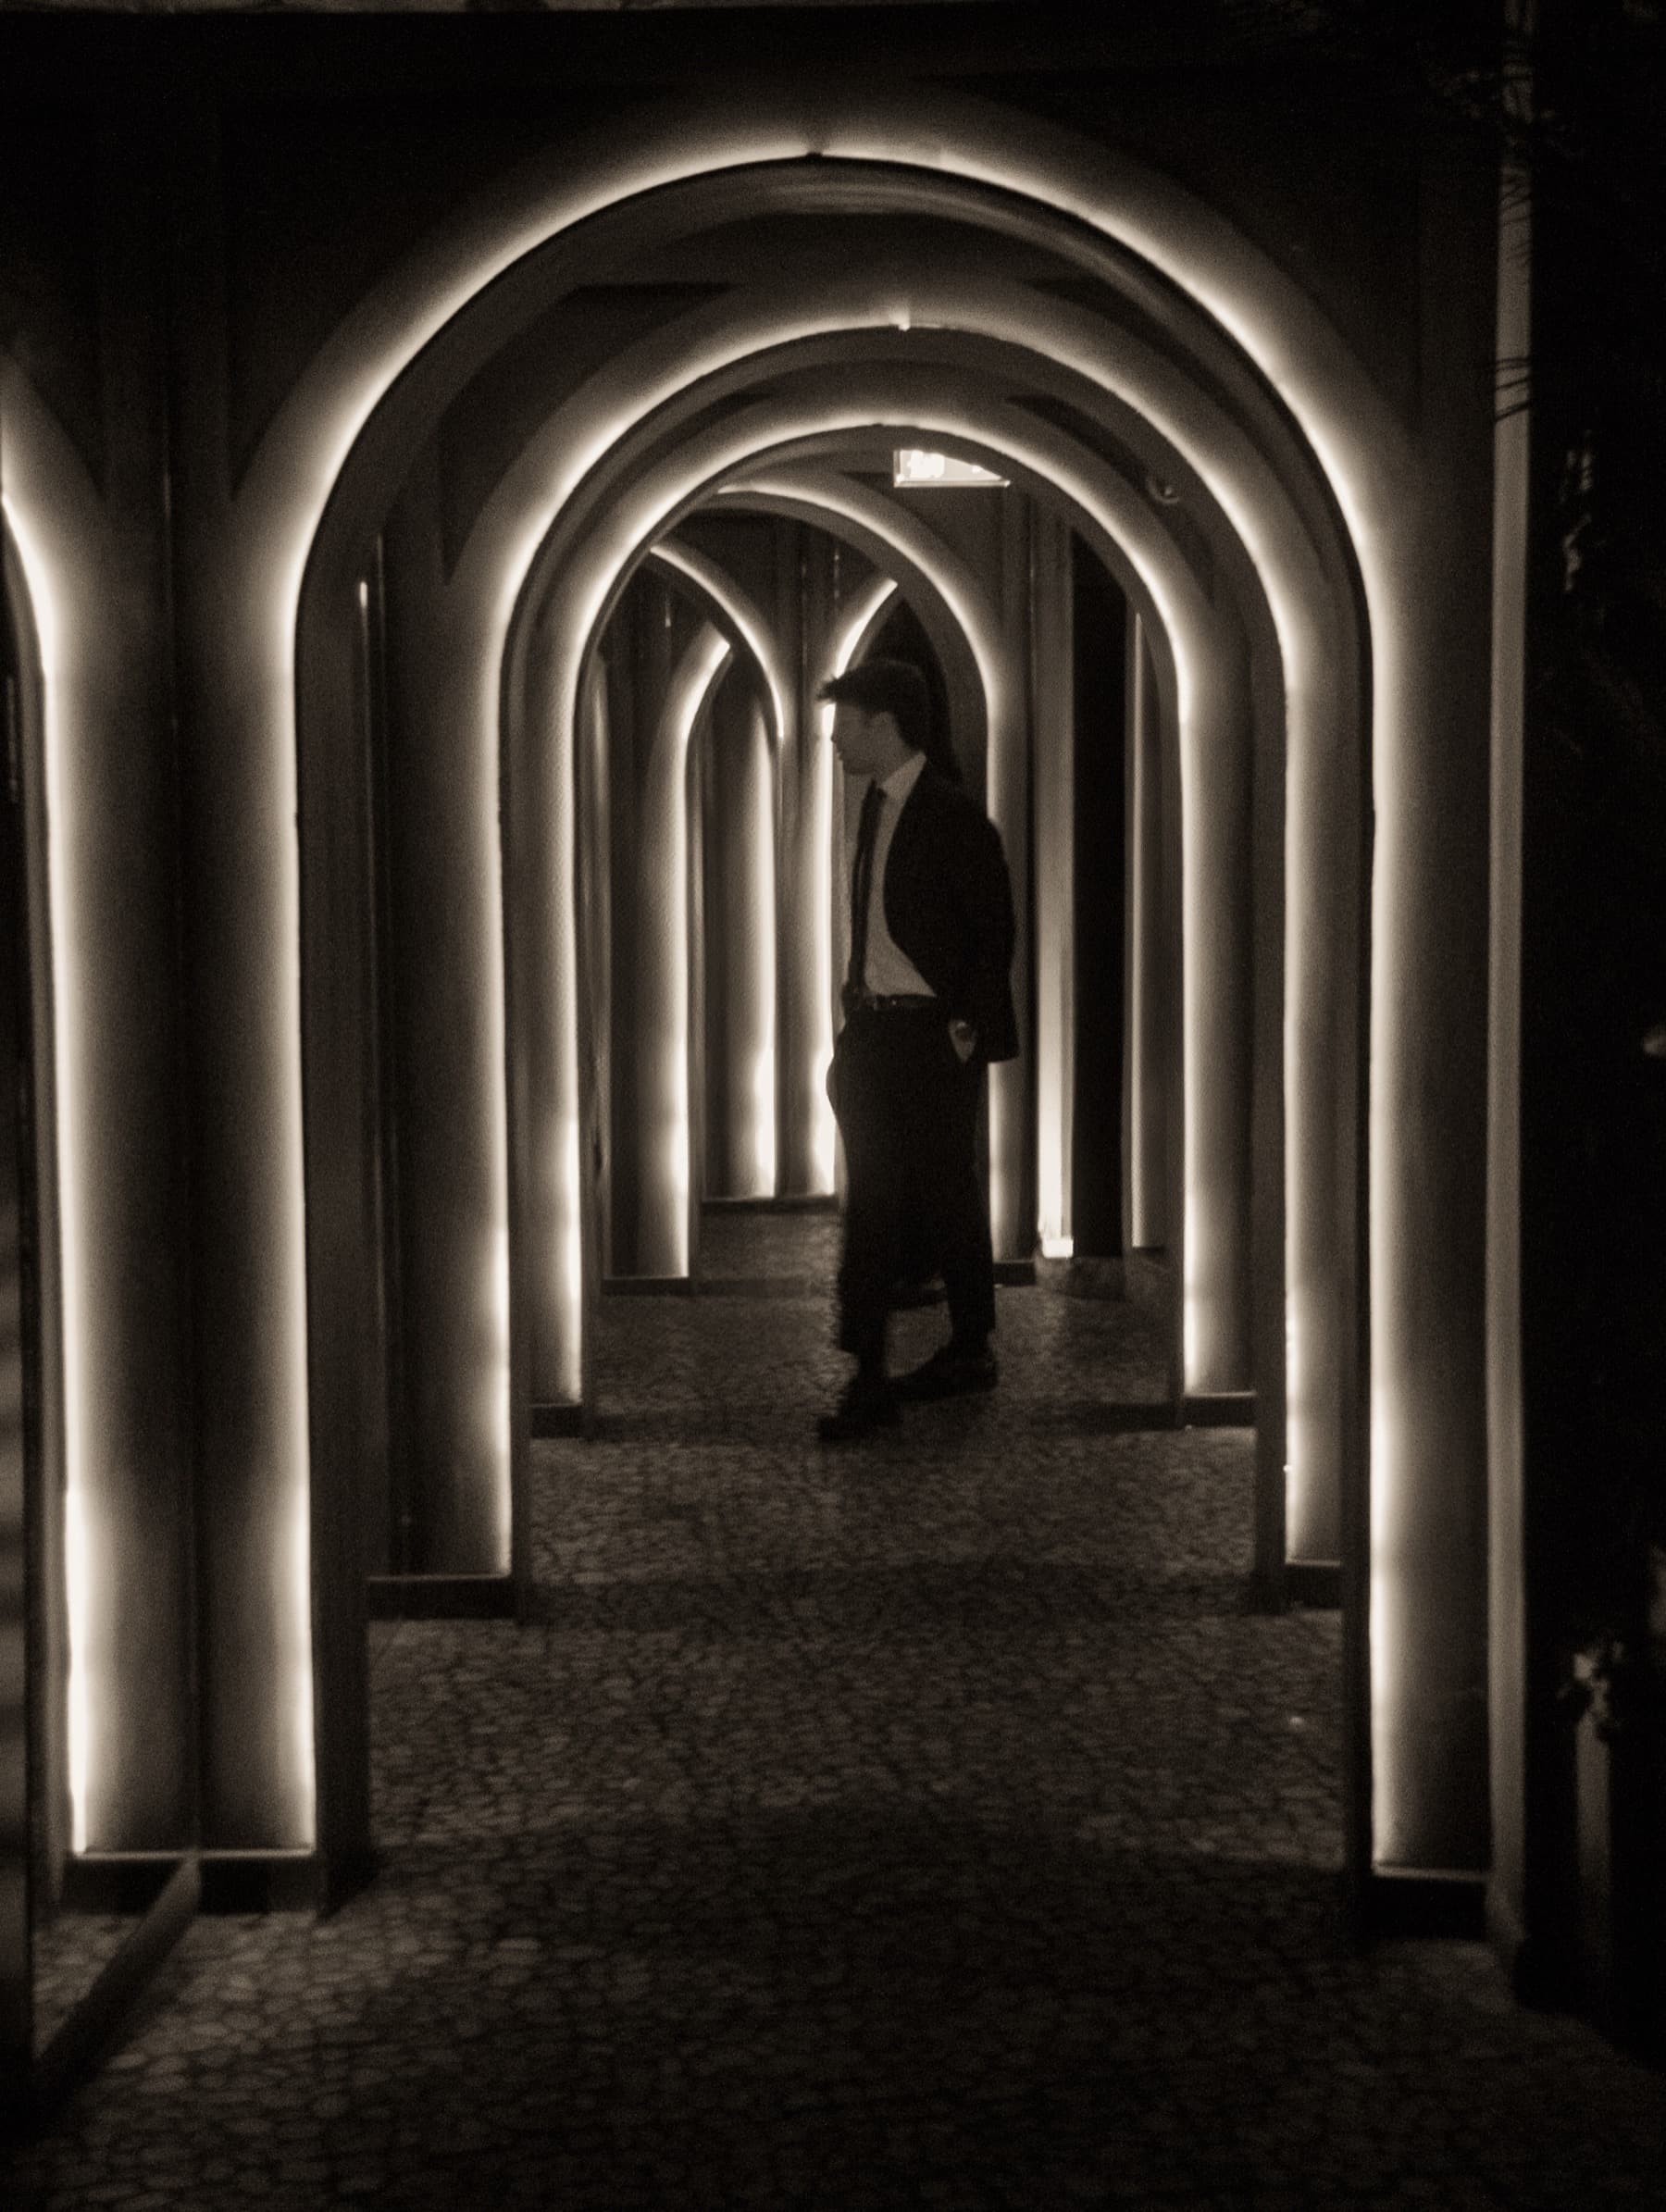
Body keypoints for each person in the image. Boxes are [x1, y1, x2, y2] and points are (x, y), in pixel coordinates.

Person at [815, 657, 1018, 1442]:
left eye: (845, 722)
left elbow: (993, 931)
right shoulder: (871, 807)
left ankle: (970, 1346)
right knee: (872, 1200)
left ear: (883, 725)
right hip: (872, 1032)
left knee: (943, 1191)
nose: (835, 738)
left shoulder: (952, 815)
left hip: (928, 1036)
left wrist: (963, 1029)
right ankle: (869, 1370)